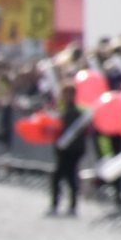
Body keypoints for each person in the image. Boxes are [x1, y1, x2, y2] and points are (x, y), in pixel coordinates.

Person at [48, 83, 88, 217]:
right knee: (69, 177)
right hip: (69, 149)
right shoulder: (68, 110)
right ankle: (71, 205)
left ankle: (58, 205)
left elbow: (69, 132)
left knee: (60, 176)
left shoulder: (73, 112)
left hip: (70, 149)